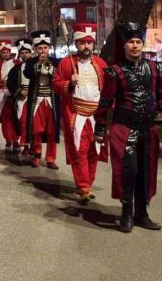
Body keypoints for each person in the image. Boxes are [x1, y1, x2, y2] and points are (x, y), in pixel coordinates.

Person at [95, 22, 162, 233]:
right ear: (124, 45)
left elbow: (161, 93)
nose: (135, 46)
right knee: (128, 171)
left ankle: (142, 213)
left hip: (148, 129)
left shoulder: (153, 68)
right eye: (131, 42)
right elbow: (105, 101)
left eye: (138, 42)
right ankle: (126, 213)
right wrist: (100, 127)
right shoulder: (114, 72)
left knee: (146, 171)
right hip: (124, 128)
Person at [52, 23, 109, 203]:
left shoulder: (100, 64)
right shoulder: (66, 63)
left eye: (89, 43)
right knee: (79, 151)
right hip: (76, 115)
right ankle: (83, 186)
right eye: (82, 43)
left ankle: (88, 185)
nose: (86, 47)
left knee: (94, 151)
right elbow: (55, 83)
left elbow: (107, 89)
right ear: (76, 44)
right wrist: (70, 83)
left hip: (96, 115)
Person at [23, 30, 61, 169]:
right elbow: (27, 74)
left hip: (52, 101)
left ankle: (51, 158)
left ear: (49, 48)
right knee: (36, 129)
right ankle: (37, 154)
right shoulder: (31, 62)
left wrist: (50, 67)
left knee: (52, 131)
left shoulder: (56, 61)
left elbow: (60, 75)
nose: (43, 51)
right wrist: (38, 65)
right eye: (40, 48)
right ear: (35, 49)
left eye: (45, 48)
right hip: (37, 100)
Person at [0, 40, 20, 154]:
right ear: (0, 54)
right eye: (3, 53)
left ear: (10, 52)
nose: (6, 54)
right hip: (3, 95)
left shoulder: (17, 63)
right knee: (6, 120)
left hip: (15, 94)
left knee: (16, 119)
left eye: (7, 52)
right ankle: (8, 140)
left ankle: (16, 140)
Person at [6, 38, 34, 155]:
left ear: (31, 53)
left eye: (27, 52)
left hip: (35, 98)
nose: (24, 54)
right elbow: (10, 83)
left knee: (34, 124)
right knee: (23, 122)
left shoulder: (37, 66)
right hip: (21, 99)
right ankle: (26, 145)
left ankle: (35, 147)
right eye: (22, 53)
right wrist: (19, 92)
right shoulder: (15, 69)